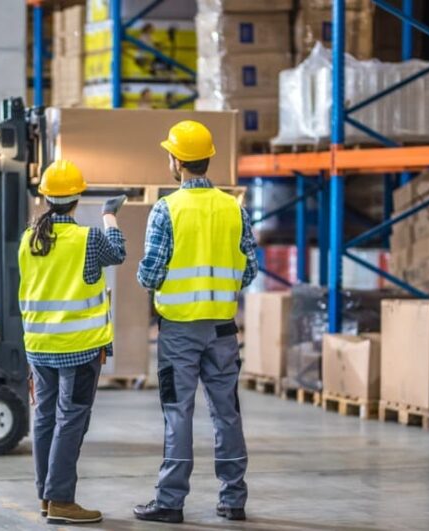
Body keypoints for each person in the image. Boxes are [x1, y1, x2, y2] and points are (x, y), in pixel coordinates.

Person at [132, 120, 258, 524]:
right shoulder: (233, 208)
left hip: (180, 331)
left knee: (178, 411)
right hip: (223, 328)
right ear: (208, 159)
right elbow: (250, 269)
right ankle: (233, 499)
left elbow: (150, 275)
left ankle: (171, 501)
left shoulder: (166, 210)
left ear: (176, 160)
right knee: (227, 411)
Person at [18, 159, 127, 525]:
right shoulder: (88, 238)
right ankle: (62, 499)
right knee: (71, 421)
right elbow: (119, 253)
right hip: (79, 348)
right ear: (78, 198)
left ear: (45, 197)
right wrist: (110, 215)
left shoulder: (29, 240)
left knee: (46, 419)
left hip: (39, 346)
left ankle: (46, 497)